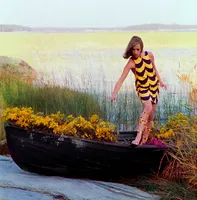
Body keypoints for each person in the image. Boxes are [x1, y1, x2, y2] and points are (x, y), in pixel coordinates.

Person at [111, 36, 167, 145]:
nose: (136, 52)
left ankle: (143, 142)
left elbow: (154, 69)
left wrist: (161, 81)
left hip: (154, 87)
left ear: (141, 48)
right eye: (133, 49)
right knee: (148, 107)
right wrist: (114, 93)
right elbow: (121, 80)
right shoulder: (131, 63)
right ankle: (138, 136)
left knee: (150, 118)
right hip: (142, 88)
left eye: (138, 49)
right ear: (130, 49)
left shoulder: (149, 55)